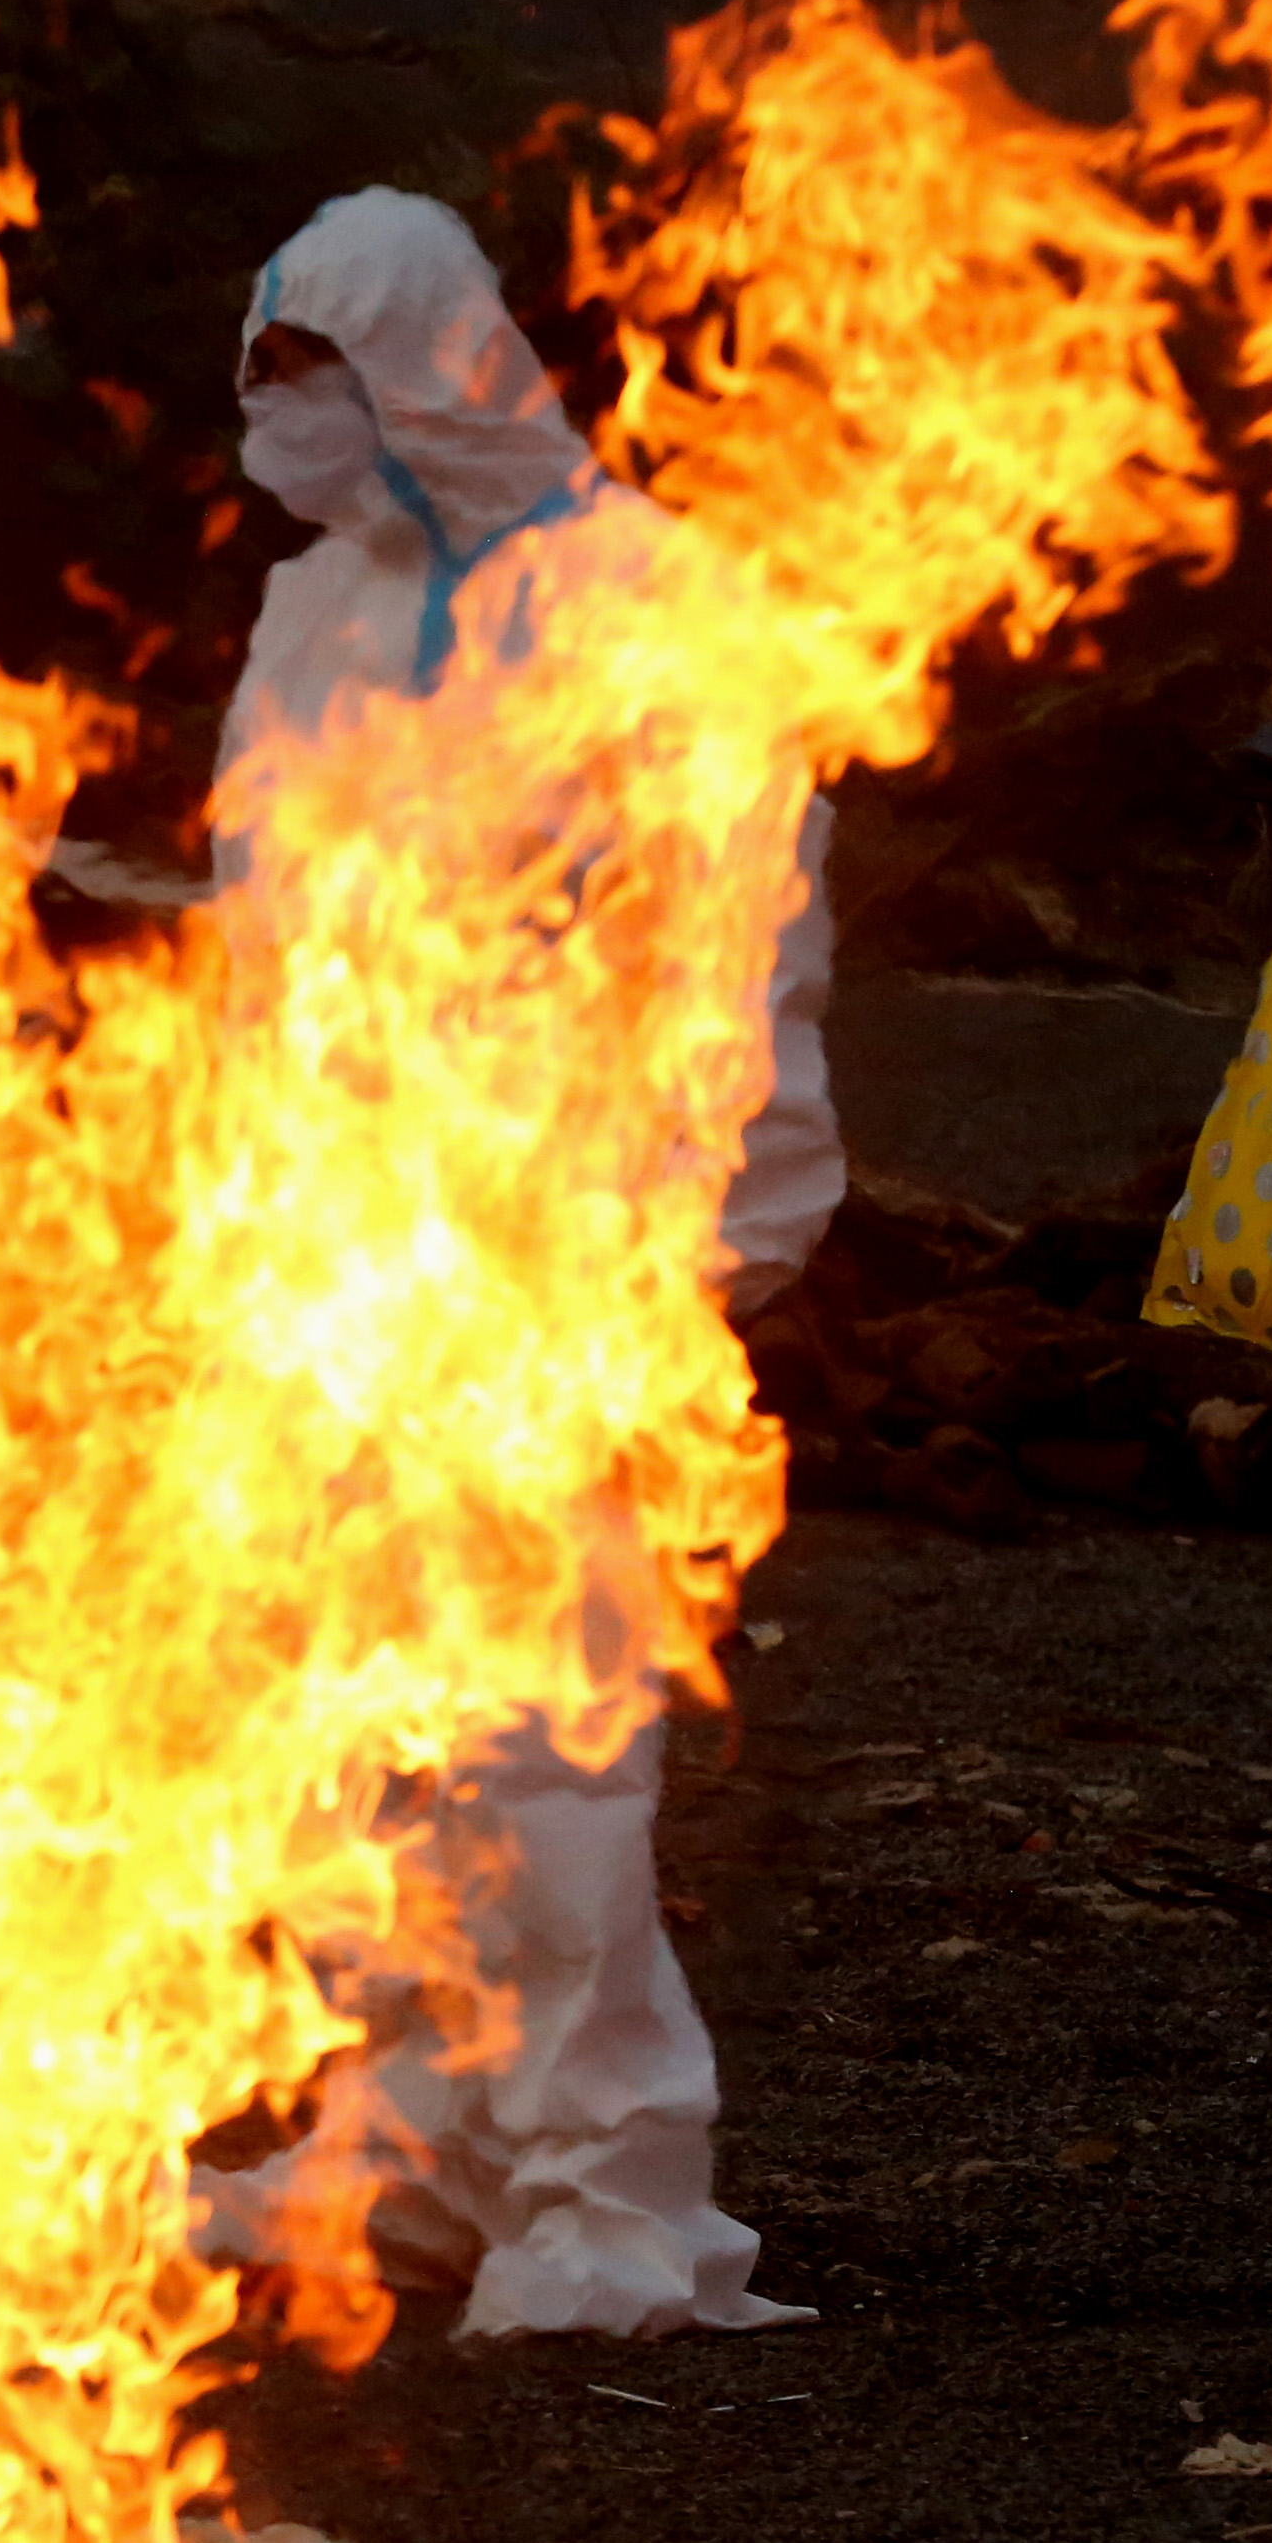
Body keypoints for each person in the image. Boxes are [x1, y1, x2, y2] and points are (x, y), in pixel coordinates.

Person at [189, 187, 840, 2339]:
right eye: (265, 377)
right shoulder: (319, 604)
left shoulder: (654, 610)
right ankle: (400, 2148)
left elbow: (740, 966)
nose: (278, 423)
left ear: (423, 376)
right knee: (372, 1739)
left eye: (315, 379)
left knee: (550, 1763)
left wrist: (695, 1253)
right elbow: (266, 937)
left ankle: (606, 2192)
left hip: (566, 1264)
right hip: (345, 1258)